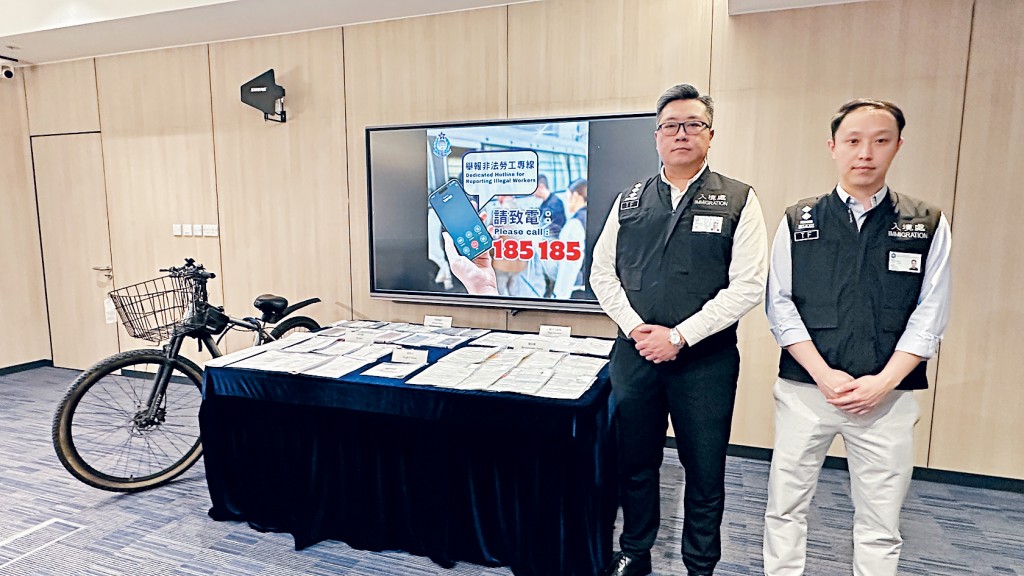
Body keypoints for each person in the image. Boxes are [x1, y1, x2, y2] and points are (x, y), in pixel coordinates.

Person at [762, 99, 952, 576]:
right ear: (833, 147)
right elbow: (779, 304)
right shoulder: (799, 218)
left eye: (879, 141)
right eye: (852, 141)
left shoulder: (926, 222)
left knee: (880, 523)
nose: (865, 153)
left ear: (898, 146)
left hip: (887, 399)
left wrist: (883, 382)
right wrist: (823, 375)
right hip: (806, 391)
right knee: (785, 508)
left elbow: (930, 314)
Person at [590, 84, 768, 576]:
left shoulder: (739, 199)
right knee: (635, 462)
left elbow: (748, 285)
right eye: (671, 126)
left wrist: (680, 336)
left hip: (705, 362)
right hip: (635, 356)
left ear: (710, 135)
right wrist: (636, 330)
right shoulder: (628, 201)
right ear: (657, 137)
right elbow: (601, 274)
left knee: (704, 469)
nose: (681, 134)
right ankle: (635, 551)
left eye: (693, 124)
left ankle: (700, 566)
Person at [552, 178, 588, 300]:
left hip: (576, 291)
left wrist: (561, 295)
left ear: (576, 196)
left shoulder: (575, 224)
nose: (567, 202)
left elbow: (570, 263)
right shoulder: (595, 218)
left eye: (568, 197)